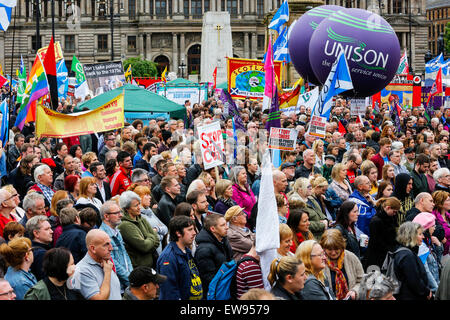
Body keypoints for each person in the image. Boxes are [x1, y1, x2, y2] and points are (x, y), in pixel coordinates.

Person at [157, 215, 203, 300]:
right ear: (178, 233)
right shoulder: (168, 258)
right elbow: (169, 291)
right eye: (190, 230)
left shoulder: (187, 251)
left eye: (193, 229)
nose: (194, 233)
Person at [72, 229, 122, 300]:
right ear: (93, 249)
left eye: (110, 243)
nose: (111, 248)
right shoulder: (82, 270)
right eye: (106, 244)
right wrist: (107, 273)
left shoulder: (106, 262)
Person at [118, 191, 160, 268]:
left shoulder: (141, 219)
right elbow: (144, 247)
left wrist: (148, 241)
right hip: (139, 268)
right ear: (127, 208)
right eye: (135, 206)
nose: (139, 207)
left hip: (151, 264)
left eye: (139, 204)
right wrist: (151, 236)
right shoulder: (125, 225)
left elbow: (157, 241)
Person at [194, 213, 233, 297]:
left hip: (226, 288)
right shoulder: (204, 250)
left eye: (226, 224)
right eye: (223, 225)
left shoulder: (223, 240)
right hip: (216, 293)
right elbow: (209, 279)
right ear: (213, 229)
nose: (227, 227)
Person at [320, 229, 364, 300]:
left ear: (342, 245)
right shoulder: (319, 260)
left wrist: (354, 291)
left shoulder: (351, 257)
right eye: (330, 249)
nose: (333, 253)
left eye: (336, 248)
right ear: (324, 248)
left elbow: (362, 280)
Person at [98, 200, 133, 291]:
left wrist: (132, 275)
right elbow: (112, 263)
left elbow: (125, 255)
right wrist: (130, 280)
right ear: (106, 216)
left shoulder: (116, 231)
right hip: (117, 286)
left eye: (120, 212)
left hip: (126, 283)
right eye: (116, 213)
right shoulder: (102, 235)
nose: (121, 215)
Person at [392, 221, 432, 300]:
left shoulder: (404, 252)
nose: (423, 237)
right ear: (411, 236)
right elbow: (414, 281)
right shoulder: (407, 255)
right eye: (420, 234)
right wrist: (426, 292)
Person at [130, 184, 168, 254]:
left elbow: (165, 228)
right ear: (139, 198)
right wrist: (159, 234)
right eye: (147, 195)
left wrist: (157, 229)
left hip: (160, 250)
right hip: (151, 253)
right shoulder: (138, 215)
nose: (150, 197)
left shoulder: (150, 211)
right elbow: (148, 235)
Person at [365, 197, 401, 269]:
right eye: (394, 211)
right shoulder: (376, 221)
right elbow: (376, 241)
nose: (395, 214)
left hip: (388, 253)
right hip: (377, 257)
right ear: (388, 208)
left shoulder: (391, 217)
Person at [412, 212, 443, 294]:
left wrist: (439, 245)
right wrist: (436, 288)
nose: (434, 228)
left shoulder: (429, 241)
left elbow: (438, 262)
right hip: (431, 288)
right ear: (426, 228)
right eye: (432, 226)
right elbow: (426, 271)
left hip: (436, 281)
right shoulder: (421, 246)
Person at [26, 216, 53, 281]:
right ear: (36, 233)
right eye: (47, 229)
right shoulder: (41, 254)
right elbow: (45, 280)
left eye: (51, 228)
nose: (51, 231)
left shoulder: (32, 248)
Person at [304, 175, 330, 240]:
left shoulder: (319, 198)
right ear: (317, 187)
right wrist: (322, 224)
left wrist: (326, 221)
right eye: (323, 190)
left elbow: (321, 214)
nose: (324, 192)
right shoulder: (310, 199)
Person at [431, 190, 450, 256]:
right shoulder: (432, 217)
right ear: (440, 203)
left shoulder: (448, 216)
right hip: (440, 254)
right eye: (448, 200)